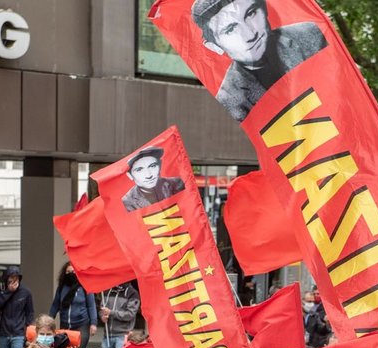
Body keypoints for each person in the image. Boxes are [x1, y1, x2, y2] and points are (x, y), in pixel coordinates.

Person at [192, 0, 328, 122]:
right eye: (230, 29)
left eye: (250, 14)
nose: (250, 34)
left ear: (265, 9)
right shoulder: (230, 102)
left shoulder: (310, 35)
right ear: (215, 46)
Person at [0, 265, 34, 348]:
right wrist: (8, 292)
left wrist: (27, 330)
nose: (14, 281)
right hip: (3, 333)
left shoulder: (25, 292)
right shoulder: (0, 289)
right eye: (11, 278)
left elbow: (30, 313)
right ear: (6, 278)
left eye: (16, 278)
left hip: (18, 334)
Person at [48, 263, 99, 348]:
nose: (70, 274)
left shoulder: (85, 286)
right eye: (68, 272)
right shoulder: (61, 287)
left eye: (73, 271)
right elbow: (55, 305)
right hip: (65, 325)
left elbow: (91, 306)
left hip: (81, 325)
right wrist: (48, 320)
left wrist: (93, 323)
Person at [120, 147, 186, 211]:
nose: (149, 175)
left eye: (152, 166)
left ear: (160, 166)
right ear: (130, 175)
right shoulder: (128, 201)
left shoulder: (177, 183)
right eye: (139, 170)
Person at [99, 281, 141, 348]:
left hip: (122, 336)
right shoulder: (107, 291)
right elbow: (102, 309)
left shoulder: (132, 293)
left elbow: (130, 314)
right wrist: (102, 316)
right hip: (107, 335)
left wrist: (111, 312)